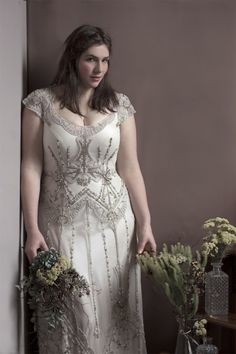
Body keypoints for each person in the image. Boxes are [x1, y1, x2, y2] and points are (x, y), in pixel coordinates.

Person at [21, 24, 156, 354]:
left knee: (114, 311)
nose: (99, 69)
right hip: (61, 220)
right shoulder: (41, 103)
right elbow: (30, 166)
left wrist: (145, 222)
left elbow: (130, 169)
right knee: (74, 311)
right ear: (73, 59)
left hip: (114, 224)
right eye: (90, 60)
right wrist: (32, 228)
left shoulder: (119, 106)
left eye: (105, 61)